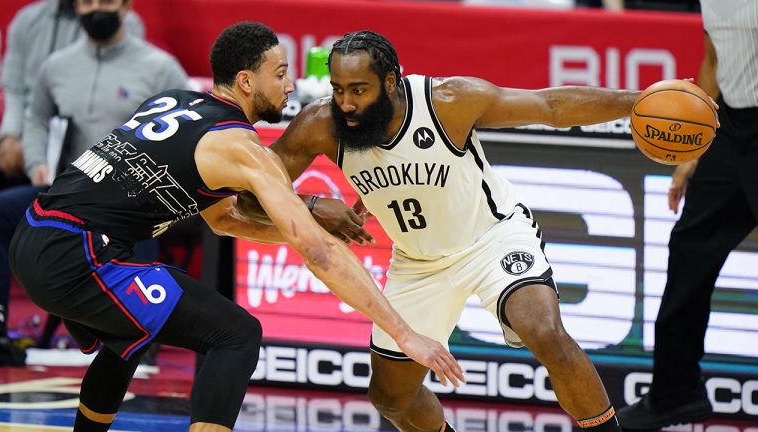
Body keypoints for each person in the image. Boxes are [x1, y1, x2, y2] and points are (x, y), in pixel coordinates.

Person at [235, 30, 706, 432]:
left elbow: (550, 106)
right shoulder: (321, 124)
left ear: (392, 81)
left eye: (359, 89)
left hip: (493, 238)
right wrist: (314, 206)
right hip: (417, 264)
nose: (347, 103)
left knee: (545, 332)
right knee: (390, 396)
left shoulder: (449, 101)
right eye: (338, 89)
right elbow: (249, 198)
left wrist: (637, 100)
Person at [8, 22, 464, 432]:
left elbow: (225, 219)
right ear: (247, 81)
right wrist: (403, 333)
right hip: (78, 254)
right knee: (236, 334)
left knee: (130, 330)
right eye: (280, 73)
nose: (291, 85)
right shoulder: (243, 149)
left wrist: (302, 224)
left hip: (34, 236)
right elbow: (318, 254)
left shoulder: (175, 101)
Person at [617, 0, 757, 429]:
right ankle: (674, 393)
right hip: (731, 131)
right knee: (688, 250)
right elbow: (715, 59)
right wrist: (692, 150)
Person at [0, 0, 145, 332]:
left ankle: (136, 334)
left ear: (126, 8)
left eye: (106, 2)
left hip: (124, 193)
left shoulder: (154, 64)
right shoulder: (53, 60)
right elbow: (31, 109)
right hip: (61, 182)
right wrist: (30, 155)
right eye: (87, 3)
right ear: (78, 8)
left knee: (141, 221)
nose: (96, 10)